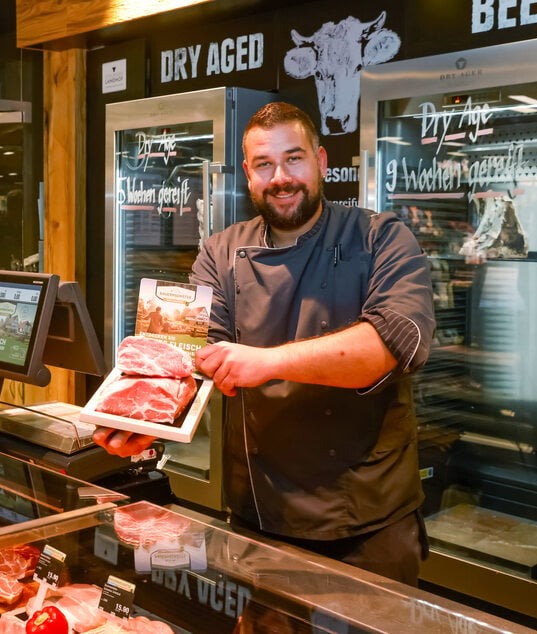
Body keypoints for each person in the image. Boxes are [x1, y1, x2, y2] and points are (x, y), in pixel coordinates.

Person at [94, 102, 435, 586]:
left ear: (321, 161)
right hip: (261, 514)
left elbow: (393, 342)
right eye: (264, 165)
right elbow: (186, 358)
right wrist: (147, 421)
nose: (281, 177)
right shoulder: (222, 250)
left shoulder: (381, 237)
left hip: (369, 520)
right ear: (249, 176)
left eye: (294, 159)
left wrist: (266, 362)